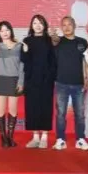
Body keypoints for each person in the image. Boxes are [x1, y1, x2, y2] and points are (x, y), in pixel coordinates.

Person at [17, 15, 56, 148]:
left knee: (45, 107)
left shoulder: (49, 40)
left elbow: (53, 60)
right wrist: (26, 52)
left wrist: (50, 77)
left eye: (40, 23)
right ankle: (35, 137)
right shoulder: (27, 41)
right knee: (32, 107)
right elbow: (24, 61)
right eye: (35, 23)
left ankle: (44, 137)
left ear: (44, 25)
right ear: (31, 26)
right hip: (31, 79)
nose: (37, 25)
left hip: (46, 80)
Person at [53, 15, 88, 149]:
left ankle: (80, 139)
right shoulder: (58, 42)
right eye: (64, 25)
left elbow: (87, 62)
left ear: (74, 26)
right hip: (61, 83)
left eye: (69, 24)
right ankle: (60, 139)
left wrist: (87, 78)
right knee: (61, 114)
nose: (67, 27)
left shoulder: (82, 42)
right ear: (61, 27)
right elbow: (52, 44)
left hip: (78, 84)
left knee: (80, 114)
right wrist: (52, 37)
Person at [0, 21, 23, 147]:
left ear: (11, 31)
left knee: (13, 110)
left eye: (7, 30)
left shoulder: (19, 46)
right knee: (0, 110)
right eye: (2, 30)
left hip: (14, 79)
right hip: (0, 79)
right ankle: (3, 138)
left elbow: (22, 65)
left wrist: (21, 81)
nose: (5, 33)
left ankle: (10, 137)